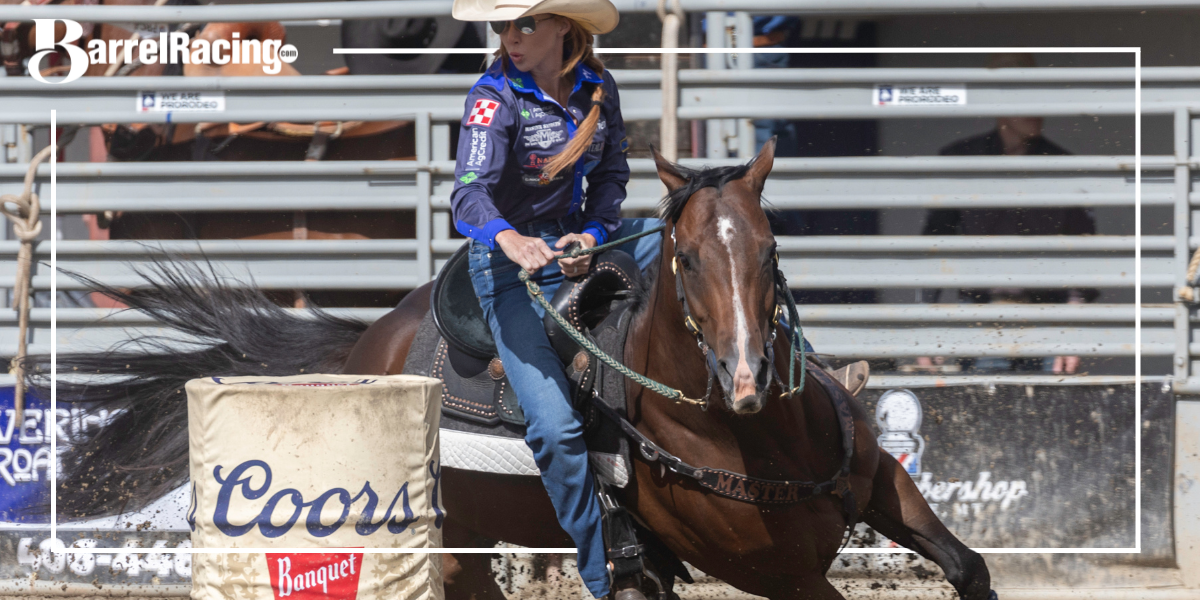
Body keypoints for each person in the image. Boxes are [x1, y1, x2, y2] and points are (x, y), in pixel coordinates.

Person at [448, 0, 660, 597]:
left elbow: (613, 174)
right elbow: (468, 195)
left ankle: (789, 368)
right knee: (555, 428)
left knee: (690, 239)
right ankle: (607, 576)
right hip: (507, 266)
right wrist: (512, 240)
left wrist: (592, 234)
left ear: (563, 25)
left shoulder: (599, 86)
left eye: (524, 23)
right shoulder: (493, 95)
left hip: (576, 241)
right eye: (503, 25)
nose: (510, 36)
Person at [917, 53, 1098, 374]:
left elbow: (1082, 253)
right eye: (1025, 96)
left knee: (1048, 411)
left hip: (1048, 317)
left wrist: (1073, 329)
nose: (1037, 107)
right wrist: (926, 327)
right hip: (981, 312)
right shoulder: (960, 161)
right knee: (985, 409)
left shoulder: (1062, 166)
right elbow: (935, 244)